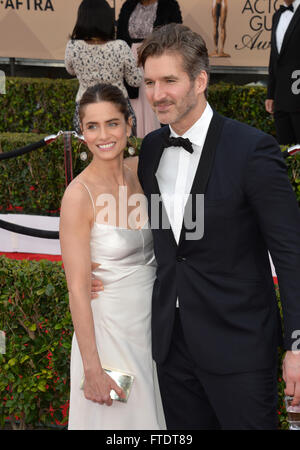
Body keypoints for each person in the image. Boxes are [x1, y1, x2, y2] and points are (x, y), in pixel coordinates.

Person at [92, 23, 300, 430]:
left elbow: (291, 256)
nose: (156, 95)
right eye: (149, 82)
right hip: (171, 349)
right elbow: (164, 240)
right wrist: (97, 269)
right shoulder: (151, 149)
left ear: (200, 80)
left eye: (169, 80)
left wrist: (297, 346)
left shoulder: (251, 150)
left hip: (239, 348)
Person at [60, 83, 165, 430]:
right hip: (107, 335)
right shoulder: (79, 196)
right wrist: (92, 368)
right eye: (92, 126)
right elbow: (77, 289)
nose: (103, 135)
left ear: (129, 125)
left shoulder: (141, 173)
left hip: (152, 327)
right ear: (82, 134)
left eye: (112, 123)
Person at [65, 0, 142, 135]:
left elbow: (70, 70)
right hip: (118, 108)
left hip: (85, 108)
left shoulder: (73, 47)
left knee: (89, 153)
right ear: (108, 20)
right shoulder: (120, 46)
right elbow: (135, 80)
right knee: (125, 153)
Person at [116, 0, 182, 138]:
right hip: (131, 64)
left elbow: (177, 37)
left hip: (158, 62)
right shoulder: (128, 6)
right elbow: (120, 39)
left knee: (157, 100)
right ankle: (135, 145)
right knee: (134, 106)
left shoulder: (169, 5)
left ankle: (160, 143)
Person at [265, 0, 300, 145]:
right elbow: (274, 57)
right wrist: (270, 94)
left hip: (298, 96)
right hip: (281, 99)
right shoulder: (277, 16)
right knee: (285, 153)